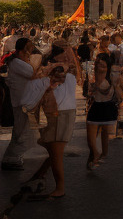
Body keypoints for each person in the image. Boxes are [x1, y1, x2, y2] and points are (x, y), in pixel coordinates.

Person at [22, 48, 80, 201]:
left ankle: (60, 188)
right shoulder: (61, 78)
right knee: (54, 151)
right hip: (60, 115)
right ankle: (40, 174)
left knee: (56, 154)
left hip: (60, 116)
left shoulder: (63, 77)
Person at [1, 37, 37, 171]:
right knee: (21, 133)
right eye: (29, 48)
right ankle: (11, 158)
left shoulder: (18, 61)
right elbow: (33, 72)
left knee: (21, 132)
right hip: (20, 101)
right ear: (23, 50)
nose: (31, 50)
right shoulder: (17, 63)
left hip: (22, 100)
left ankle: (12, 157)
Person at [85, 56, 121, 169]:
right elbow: (86, 93)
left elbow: (122, 94)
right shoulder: (91, 76)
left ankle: (98, 156)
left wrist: (122, 99)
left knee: (104, 135)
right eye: (98, 64)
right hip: (95, 107)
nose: (101, 67)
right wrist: (89, 90)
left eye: (104, 65)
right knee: (90, 139)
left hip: (108, 109)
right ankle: (95, 155)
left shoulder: (113, 77)